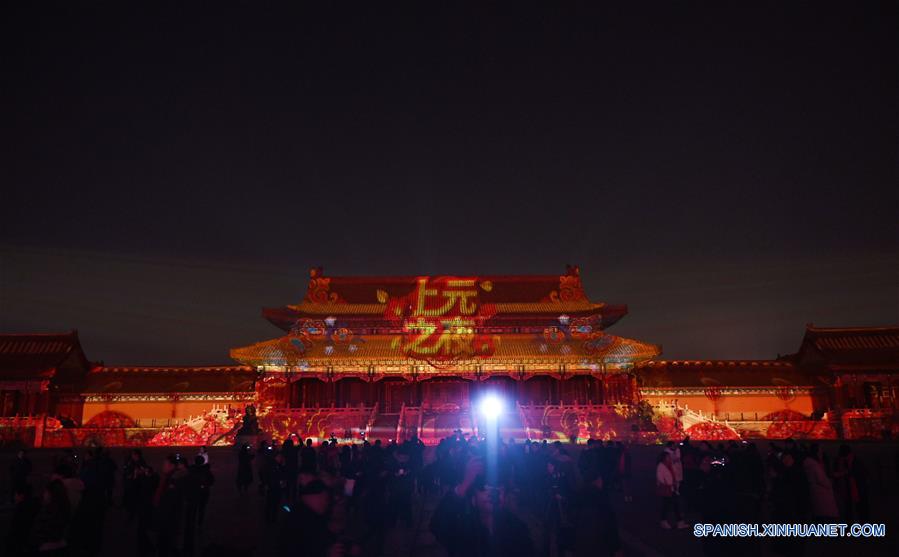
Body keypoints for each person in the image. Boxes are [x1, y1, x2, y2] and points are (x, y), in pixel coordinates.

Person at [431, 458, 534, 557]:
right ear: (473, 499)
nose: (492, 494)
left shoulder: (518, 529)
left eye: (499, 489)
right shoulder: (462, 528)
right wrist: (464, 485)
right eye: (484, 489)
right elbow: (437, 526)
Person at [572, 469, 622, 557]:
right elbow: (610, 525)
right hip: (600, 544)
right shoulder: (602, 499)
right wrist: (616, 548)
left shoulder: (578, 496)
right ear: (598, 481)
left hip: (582, 544)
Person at [30, 479, 70, 555]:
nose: (44, 494)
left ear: (51, 494)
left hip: (44, 547)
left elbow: (38, 532)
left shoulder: (48, 511)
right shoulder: (65, 508)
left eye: (45, 492)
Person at [803, 444, 838, 520]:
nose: (821, 453)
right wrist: (829, 483)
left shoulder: (808, 464)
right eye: (820, 451)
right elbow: (821, 479)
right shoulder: (815, 465)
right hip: (822, 494)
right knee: (826, 517)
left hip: (816, 493)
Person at [5, 484, 40, 556]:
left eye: (15, 494)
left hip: (19, 545)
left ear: (21, 496)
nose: (14, 497)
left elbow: (14, 531)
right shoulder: (35, 506)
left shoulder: (21, 510)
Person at [656, 451, 687, 529]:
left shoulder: (670, 465)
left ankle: (675, 522)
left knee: (671, 505)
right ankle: (674, 522)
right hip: (667, 488)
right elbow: (660, 478)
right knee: (669, 505)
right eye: (668, 457)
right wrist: (668, 484)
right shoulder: (661, 466)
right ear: (664, 458)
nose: (670, 458)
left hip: (672, 488)